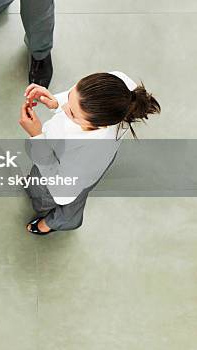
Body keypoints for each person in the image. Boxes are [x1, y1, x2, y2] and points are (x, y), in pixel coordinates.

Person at [18, 71, 161, 234]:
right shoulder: (119, 88)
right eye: (72, 94)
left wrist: (37, 138)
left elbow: (62, 193)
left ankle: (59, 221)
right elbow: (77, 100)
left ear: (99, 125)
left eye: (71, 112)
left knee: (52, 197)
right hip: (64, 159)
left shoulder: (88, 155)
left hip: (64, 177)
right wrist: (57, 102)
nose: (64, 109)